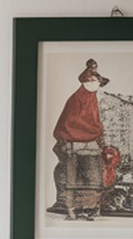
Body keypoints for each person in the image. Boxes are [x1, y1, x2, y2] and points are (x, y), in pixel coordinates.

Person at [50, 58, 116, 218]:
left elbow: (94, 122)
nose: (95, 84)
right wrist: (86, 131)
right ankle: (72, 209)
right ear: (84, 81)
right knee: (73, 177)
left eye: (96, 81)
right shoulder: (75, 99)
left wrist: (97, 132)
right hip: (74, 144)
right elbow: (69, 121)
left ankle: (90, 207)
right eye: (92, 80)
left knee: (92, 176)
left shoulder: (92, 98)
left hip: (92, 144)